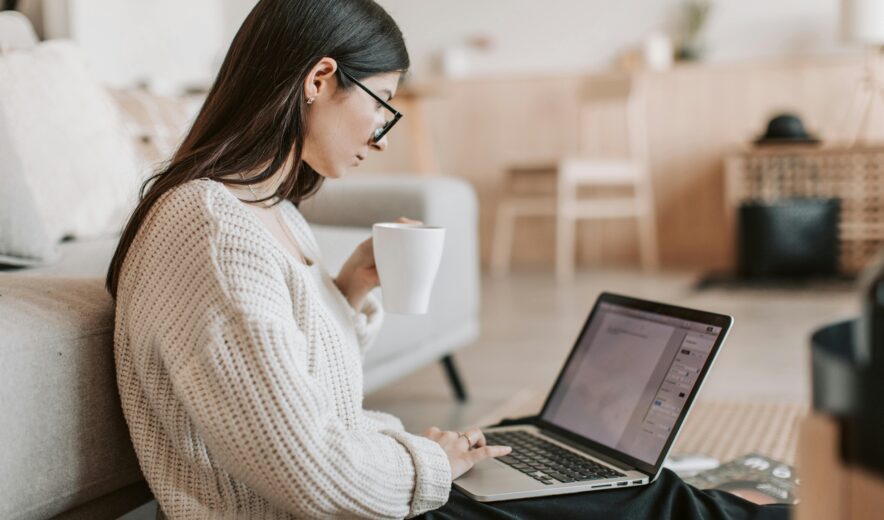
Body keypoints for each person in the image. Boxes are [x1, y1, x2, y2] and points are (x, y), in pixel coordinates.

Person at [106, 1, 790, 518]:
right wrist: (431, 462)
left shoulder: (270, 212)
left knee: (629, 486)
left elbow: (300, 399)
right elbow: (308, 472)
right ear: (320, 78)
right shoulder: (212, 228)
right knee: (654, 500)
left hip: (370, 491)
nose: (381, 136)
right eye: (382, 105)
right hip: (343, 507)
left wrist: (343, 296)